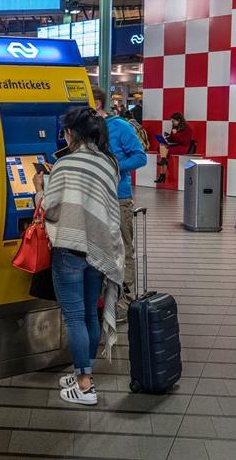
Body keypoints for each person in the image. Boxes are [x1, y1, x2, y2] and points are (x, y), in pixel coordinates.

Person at [32, 106, 124, 406]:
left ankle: (84, 386)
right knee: (89, 315)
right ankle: (84, 372)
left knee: (74, 318)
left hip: (69, 249)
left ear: (72, 133)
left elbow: (52, 207)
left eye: (66, 132)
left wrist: (38, 189)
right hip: (97, 249)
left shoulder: (65, 164)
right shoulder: (109, 163)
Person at [93, 88, 146, 322]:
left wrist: (114, 166)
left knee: (123, 250)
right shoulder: (87, 129)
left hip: (118, 198)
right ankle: (102, 298)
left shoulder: (121, 127)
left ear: (97, 103)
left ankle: (125, 300)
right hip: (93, 199)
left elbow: (140, 156)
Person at [155, 112, 193, 183]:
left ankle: (162, 175)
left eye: (173, 121)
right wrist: (167, 137)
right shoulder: (175, 127)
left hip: (183, 147)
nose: (172, 123)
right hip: (174, 145)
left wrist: (175, 134)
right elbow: (173, 138)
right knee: (162, 145)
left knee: (164, 152)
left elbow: (185, 142)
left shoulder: (188, 129)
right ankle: (163, 164)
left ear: (179, 120)